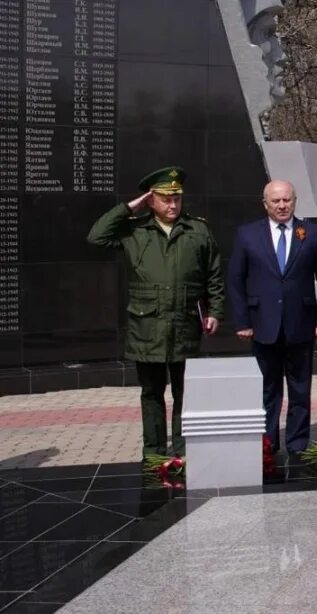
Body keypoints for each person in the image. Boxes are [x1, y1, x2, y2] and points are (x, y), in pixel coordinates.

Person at [87, 167, 224, 459]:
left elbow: (214, 274)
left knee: (186, 393)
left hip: (184, 324)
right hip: (146, 327)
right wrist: (128, 207)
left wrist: (215, 311)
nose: (173, 205)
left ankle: (185, 450)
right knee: (151, 394)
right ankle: (155, 453)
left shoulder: (197, 230)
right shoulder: (133, 231)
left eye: (177, 199)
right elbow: (96, 237)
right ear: (151, 200)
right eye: (165, 199)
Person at [227, 180, 317, 456]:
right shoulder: (247, 235)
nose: (282, 205)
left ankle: (298, 444)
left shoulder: (311, 233)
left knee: (300, 390)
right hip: (263, 324)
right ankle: (267, 444)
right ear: (265, 204)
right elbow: (236, 280)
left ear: (295, 201)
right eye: (276, 201)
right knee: (267, 390)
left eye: (287, 199)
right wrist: (242, 322)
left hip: (301, 324)